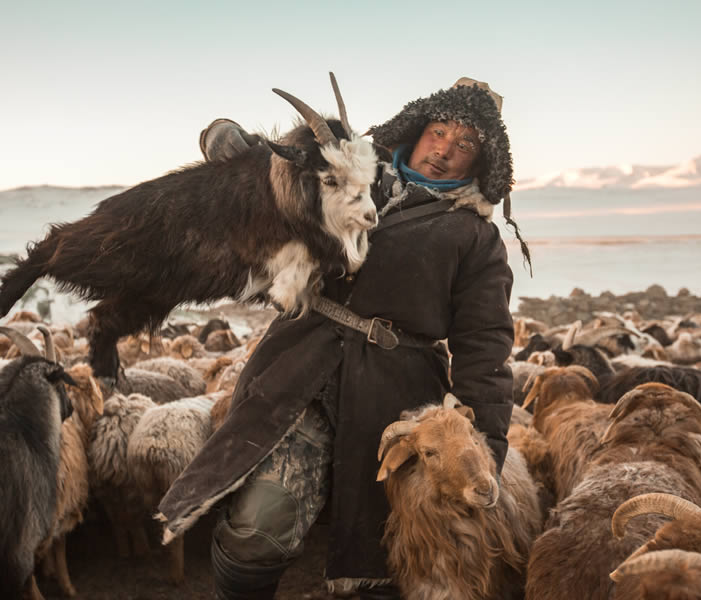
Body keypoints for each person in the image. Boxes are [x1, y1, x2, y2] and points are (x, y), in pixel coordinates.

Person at [158, 78, 530, 599]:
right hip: (300, 368)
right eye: (439, 131)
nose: (444, 149)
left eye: (464, 144)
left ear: (481, 164)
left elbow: (485, 345)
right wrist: (233, 146)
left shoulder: (475, 237)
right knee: (256, 531)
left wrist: (483, 444)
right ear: (418, 129)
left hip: (397, 400)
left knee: (382, 556)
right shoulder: (347, 172)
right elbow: (273, 182)